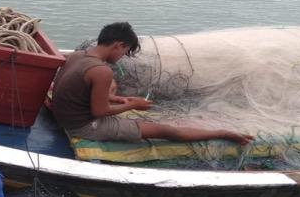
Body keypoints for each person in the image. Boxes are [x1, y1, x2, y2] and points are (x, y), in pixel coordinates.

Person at [51, 22, 253, 145]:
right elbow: (99, 112)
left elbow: (79, 91)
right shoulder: (101, 71)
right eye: (124, 51)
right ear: (118, 45)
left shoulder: (77, 56)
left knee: (112, 88)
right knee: (164, 130)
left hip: (64, 115)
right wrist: (132, 105)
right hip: (83, 126)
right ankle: (224, 133)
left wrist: (118, 98)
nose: (122, 57)